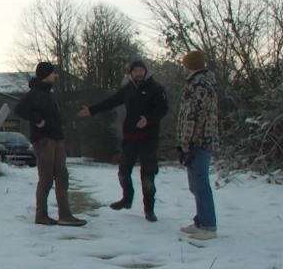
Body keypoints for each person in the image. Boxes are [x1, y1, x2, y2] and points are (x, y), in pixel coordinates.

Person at [77, 60, 169, 222]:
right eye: (135, 71)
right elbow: (111, 101)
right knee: (123, 172)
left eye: (141, 70)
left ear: (145, 72)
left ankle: (149, 209)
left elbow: (163, 109)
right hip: (130, 138)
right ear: (131, 73)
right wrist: (91, 110)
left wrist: (148, 119)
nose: (138, 73)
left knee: (147, 176)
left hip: (149, 138)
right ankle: (127, 199)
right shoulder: (128, 89)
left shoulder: (155, 88)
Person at [14, 62, 87, 226]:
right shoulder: (35, 93)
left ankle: (65, 215)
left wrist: (63, 122)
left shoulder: (48, 93)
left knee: (62, 176)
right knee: (46, 178)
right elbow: (19, 109)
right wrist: (37, 120)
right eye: (53, 73)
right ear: (46, 74)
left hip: (56, 139)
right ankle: (41, 215)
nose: (56, 76)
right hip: (44, 140)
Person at [177, 50, 219, 240]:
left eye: (185, 64)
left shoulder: (200, 85)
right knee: (195, 184)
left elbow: (194, 115)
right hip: (199, 139)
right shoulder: (199, 82)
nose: (183, 68)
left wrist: (187, 139)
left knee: (200, 184)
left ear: (190, 65)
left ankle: (209, 226)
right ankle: (200, 221)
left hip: (199, 140)